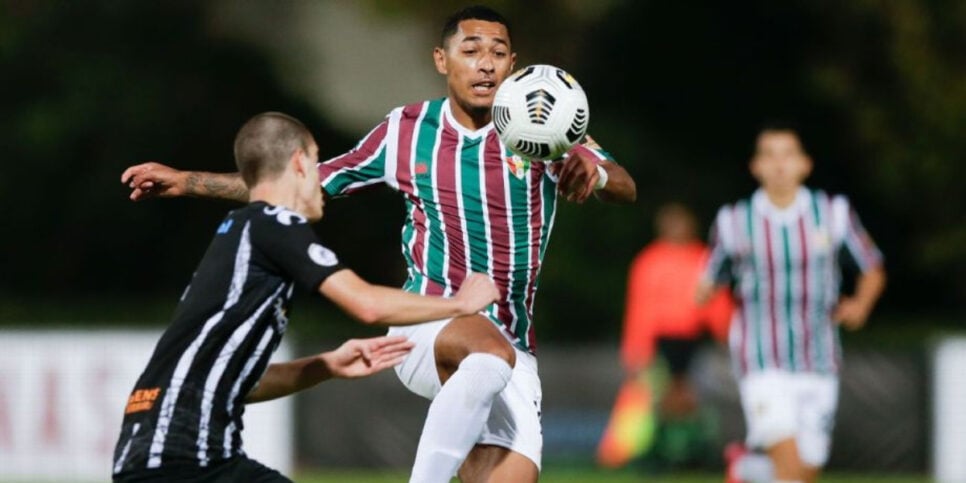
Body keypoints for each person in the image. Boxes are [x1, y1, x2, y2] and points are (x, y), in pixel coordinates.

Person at [121, 6, 637, 482]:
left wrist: (593, 174)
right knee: (485, 354)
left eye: (498, 53)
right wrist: (188, 181)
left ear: (513, 64)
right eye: (471, 50)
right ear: (442, 59)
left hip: (515, 347)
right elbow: (302, 181)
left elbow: (624, 185)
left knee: (508, 463)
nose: (486, 65)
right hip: (430, 320)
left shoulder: (541, 120)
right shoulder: (406, 130)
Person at [112, 112, 500, 482]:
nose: (322, 180)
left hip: (172, 451)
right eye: (317, 162)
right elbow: (366, 303)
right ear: (299, 163)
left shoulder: (245, 235)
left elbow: (242, 382)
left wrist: (326, 365)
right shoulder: (274, 223)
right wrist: (459, 304)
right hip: (180, 452)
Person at [696, 122, 886, 483]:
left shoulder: (833, 213)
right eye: (769, 155)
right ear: (756, 167)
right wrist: (702, 290)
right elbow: (711, 272)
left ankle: (748, 469)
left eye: (788, 155)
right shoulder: (735, 221)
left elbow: (872, 267)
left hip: (819, 356)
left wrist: (861, 304)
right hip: (761, 356)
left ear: (805, 164)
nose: (779, 164)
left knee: (805, 470)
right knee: (790, 465)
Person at [597, 202, 733, 470]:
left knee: (692, 398)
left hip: (693, 340)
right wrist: (636, 350)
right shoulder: (649, 261)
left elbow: (716, 302)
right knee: (654, 398)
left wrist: (725, 334)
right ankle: (649, 452)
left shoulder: (702, 258)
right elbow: (641, 309)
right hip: (660, 342)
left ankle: (694, 452)